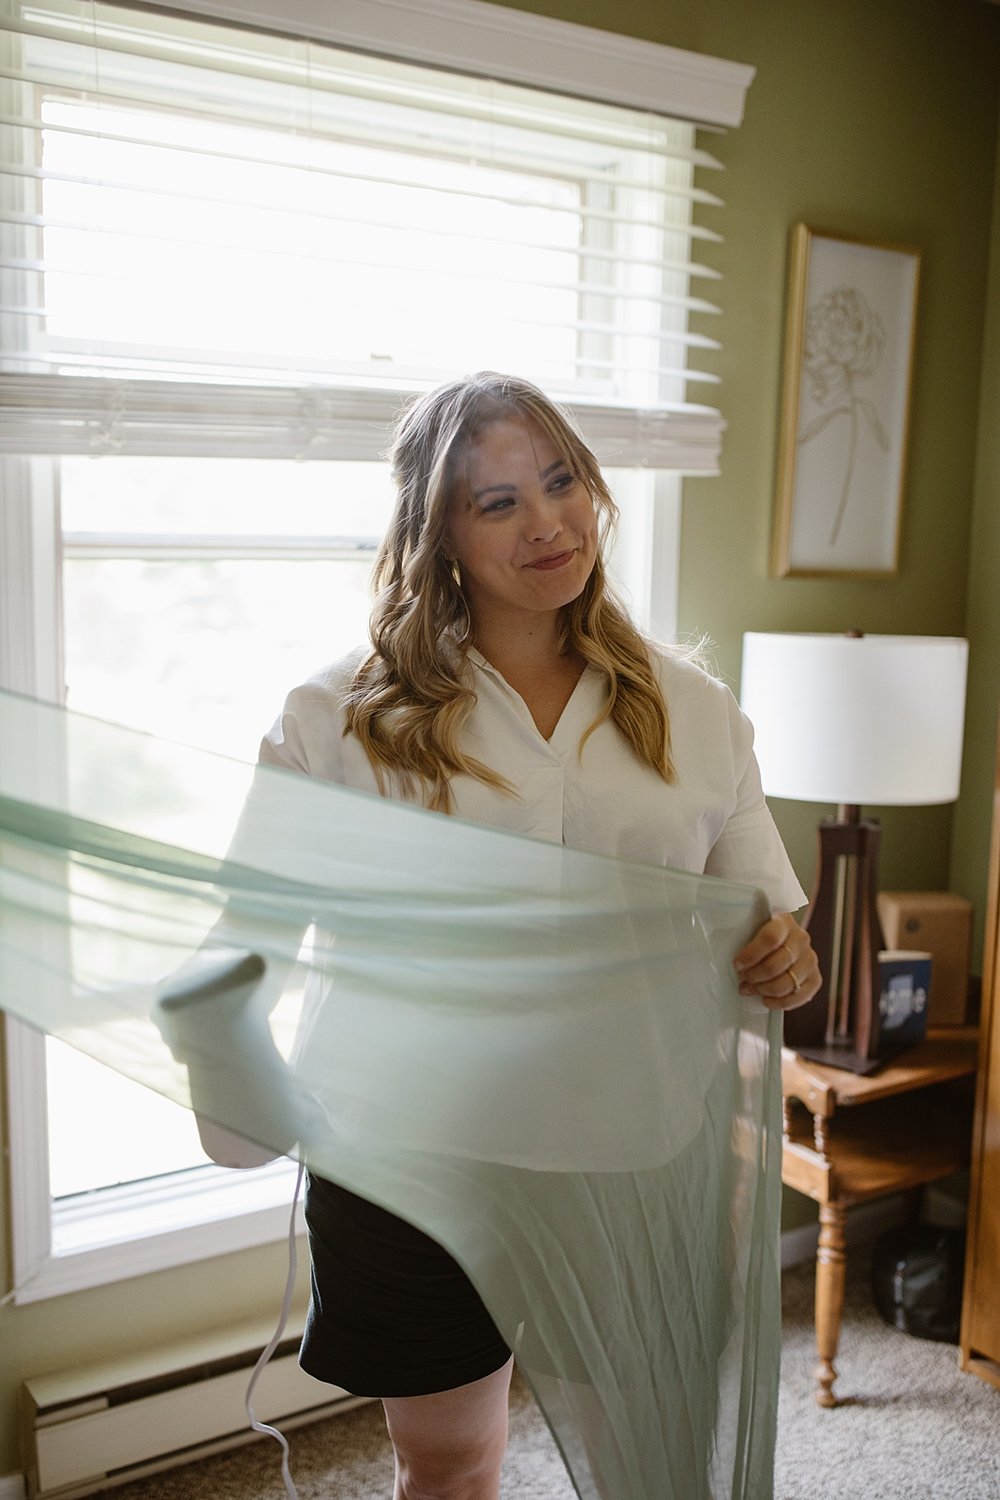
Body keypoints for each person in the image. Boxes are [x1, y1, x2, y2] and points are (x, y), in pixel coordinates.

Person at [259, 371, 820, 1500]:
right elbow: (249, 932)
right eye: (497, 500)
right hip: (414, 1161)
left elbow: (771, 929)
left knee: (644, 1465)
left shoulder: (697, 711)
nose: (547, 521)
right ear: (440, 533)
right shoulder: (337, 719)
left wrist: (786, 960)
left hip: (626, 1157)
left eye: (560, 481)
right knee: (449, 1460)